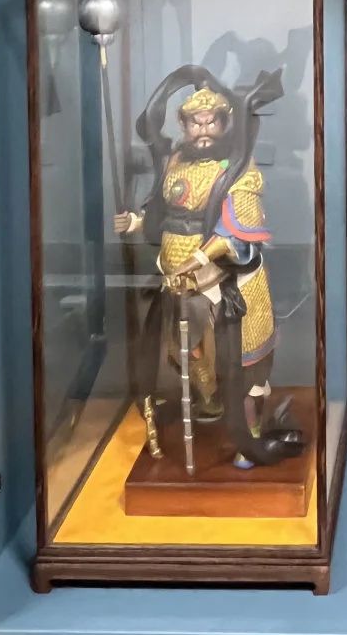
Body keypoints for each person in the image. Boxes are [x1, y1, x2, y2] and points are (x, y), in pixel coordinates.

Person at [116, 74, 290, 470]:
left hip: (226, 276)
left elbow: (236, 232)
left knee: (243, 360)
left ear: (225, 123)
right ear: (183, 125)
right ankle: (209, 399)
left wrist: (197, 260)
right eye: (196, 122)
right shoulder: (175, 161)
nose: (204, 129)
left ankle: (249, 433)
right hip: (177, 275)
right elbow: (164, 213)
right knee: (186, 348)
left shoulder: (239, 169)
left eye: (212, 121)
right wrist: (137, 223)